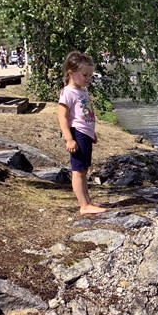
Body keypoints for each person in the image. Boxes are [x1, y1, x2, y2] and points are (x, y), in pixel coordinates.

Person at [57, 51, 107, 214]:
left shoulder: (82, 91)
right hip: (77, 134)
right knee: (78, 171)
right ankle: (84, 206)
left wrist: (92, 132)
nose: (88, 79)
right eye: (85, 75)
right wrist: (69, 139)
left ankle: (88, 201)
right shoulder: (68, 92)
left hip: (85, 134)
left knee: (84, 170)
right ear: (71, 73)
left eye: (90, 75)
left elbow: (86, 114)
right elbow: (62, 117)